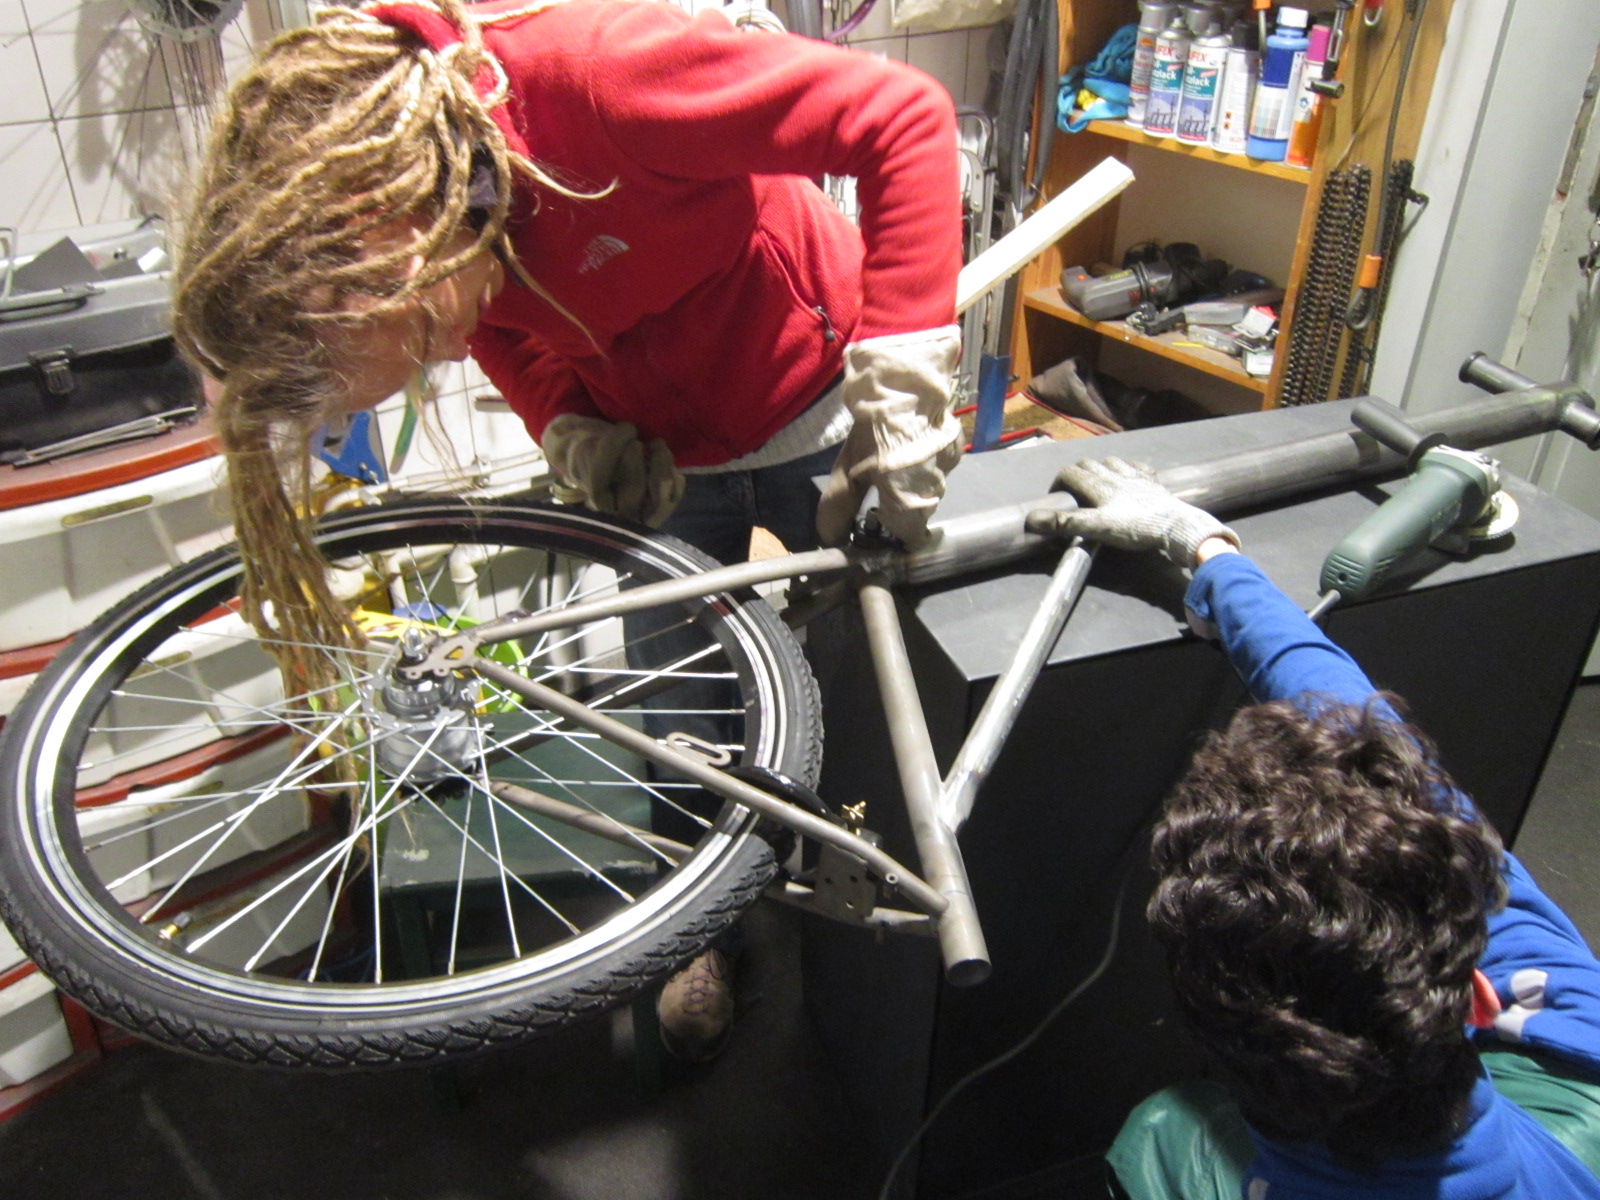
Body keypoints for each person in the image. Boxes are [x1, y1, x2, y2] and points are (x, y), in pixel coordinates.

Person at [171, 0, 965, 1062]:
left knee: (875, 673)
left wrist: (906, 365)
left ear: (386, 233)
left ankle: (874, 950)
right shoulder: (440, 217)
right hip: (667, 448)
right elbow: (496, 328)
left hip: (820, 396)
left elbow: (901, 115)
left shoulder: (601, 80)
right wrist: (566, 422)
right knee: (679, 712)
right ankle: (703, 931)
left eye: (420, 331)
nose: (444, 354)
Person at [1026, 459, 1600, 1199]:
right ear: (1480, 998)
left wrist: (1200, 547)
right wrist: (1208, 552)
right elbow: (1348, 710)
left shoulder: (1162, 1159)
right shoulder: (1578, 1029)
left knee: (1164, 1131)